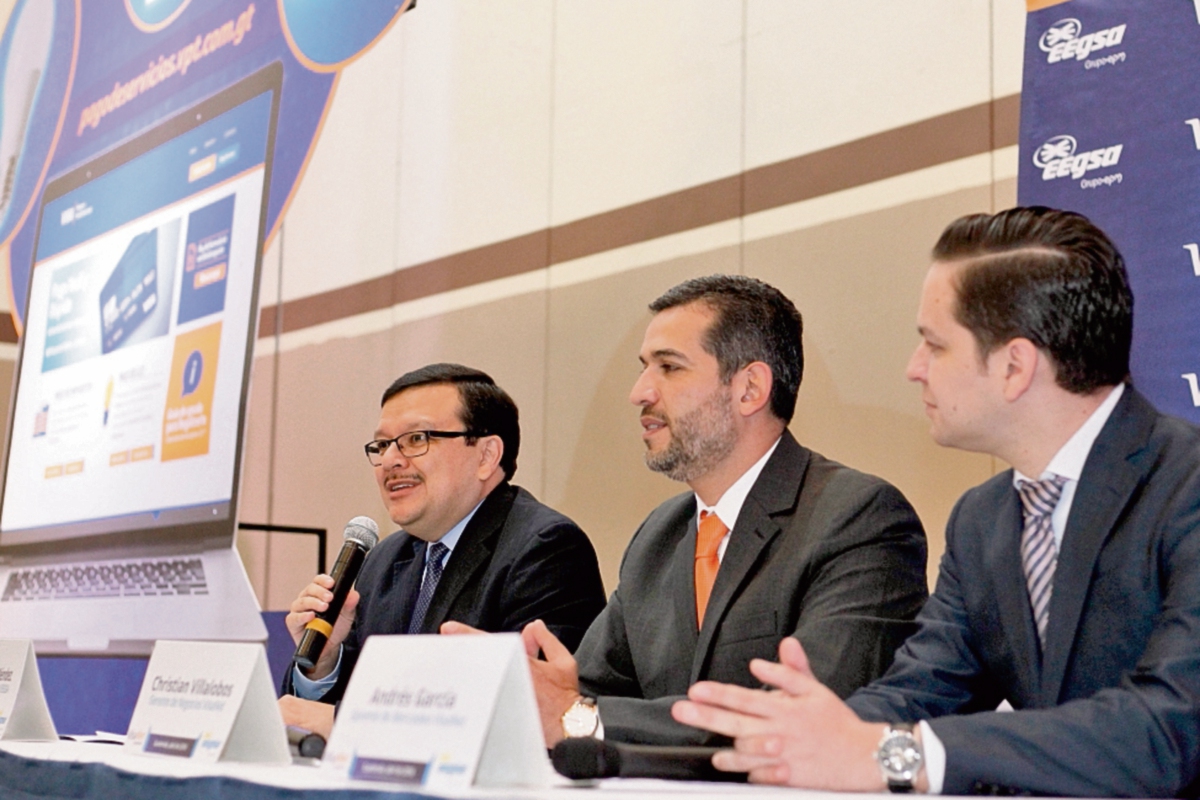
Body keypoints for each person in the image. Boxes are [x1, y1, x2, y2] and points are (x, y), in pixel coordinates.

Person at [673, 207, 1200, 797]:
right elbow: (922, 689)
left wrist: (897, 755)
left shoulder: (1187, 486)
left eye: (934, 345)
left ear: (1014, 366)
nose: (913, 370)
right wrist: (799, 732)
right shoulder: (983, 519)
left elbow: (1171, 728)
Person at [445, 275, 928, 748]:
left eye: (669, 368)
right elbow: (587, 694)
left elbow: (807, 719)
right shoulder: (660, 535)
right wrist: (524, 690)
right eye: (643, 367)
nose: (640, 392)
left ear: (749, 389)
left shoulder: (858, 517)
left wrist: (579, 717)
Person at [278, 363, 607, 737]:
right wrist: (323, 664)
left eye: (416, 439)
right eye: (382, 445)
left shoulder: (545, 548)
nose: (390, 461)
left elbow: (537, 710)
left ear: (486, 456)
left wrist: (345, 724)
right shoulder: (385, 559)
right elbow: (326, 709)